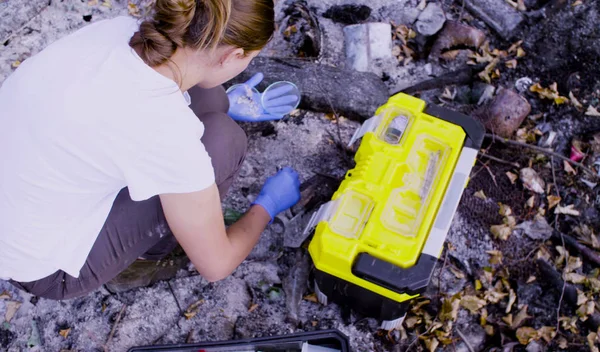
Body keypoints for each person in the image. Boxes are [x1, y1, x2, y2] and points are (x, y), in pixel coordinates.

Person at [0, 0, 301, 300]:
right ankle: (143, 265)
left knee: (213, 100)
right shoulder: (169, 135)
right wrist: (267, 207)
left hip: (21, 195)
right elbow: (217, 265)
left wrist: (224, 103)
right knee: (225, 140)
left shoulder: (119, 30)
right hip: (43, 267)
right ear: (233, 55)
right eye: (248, 58)